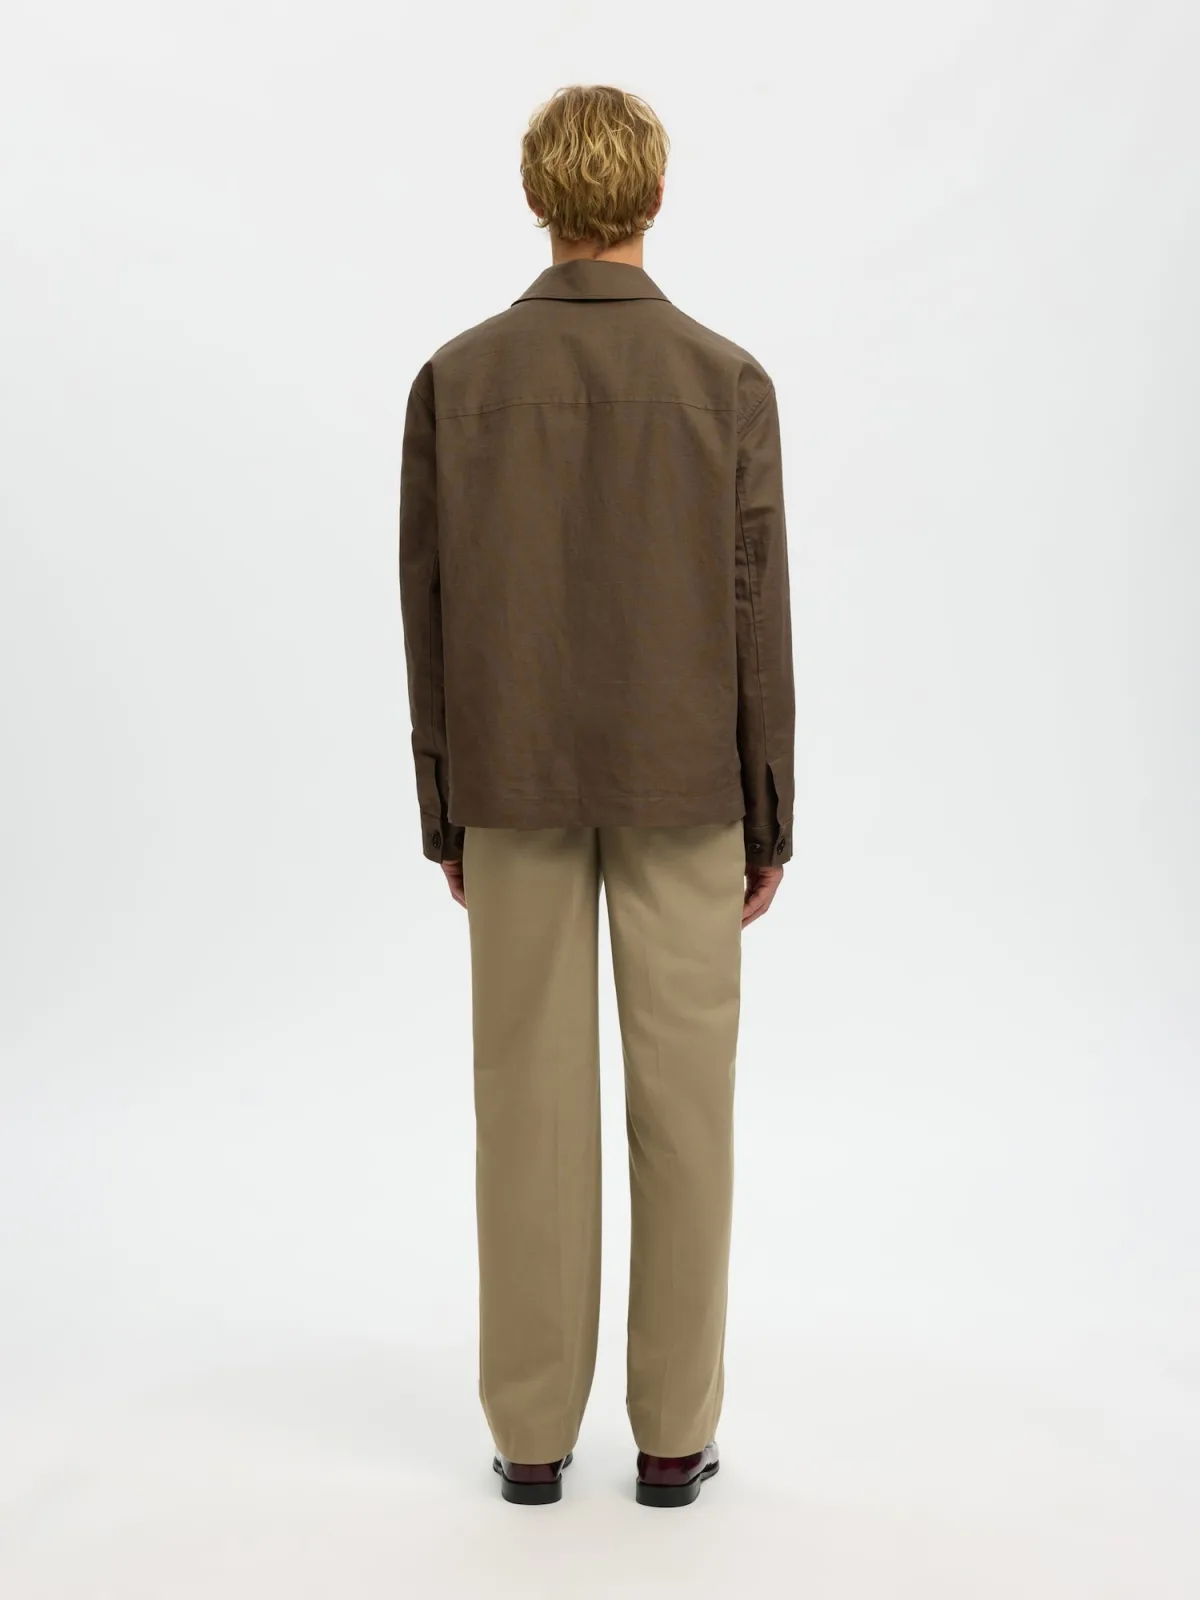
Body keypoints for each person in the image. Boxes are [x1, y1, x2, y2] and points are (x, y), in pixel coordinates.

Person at [398, 84, 795, 1508]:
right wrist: (768, 813)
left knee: (527, 1103)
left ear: (536, 200)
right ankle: (674, 1437)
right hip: (685, 781)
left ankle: (529, 1436)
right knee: (686, 1108)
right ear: (656, 198)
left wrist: (444, 807)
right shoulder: (725, 381)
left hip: (511, 779)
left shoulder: (456, 381)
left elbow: (429, 610)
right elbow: (755, 613)